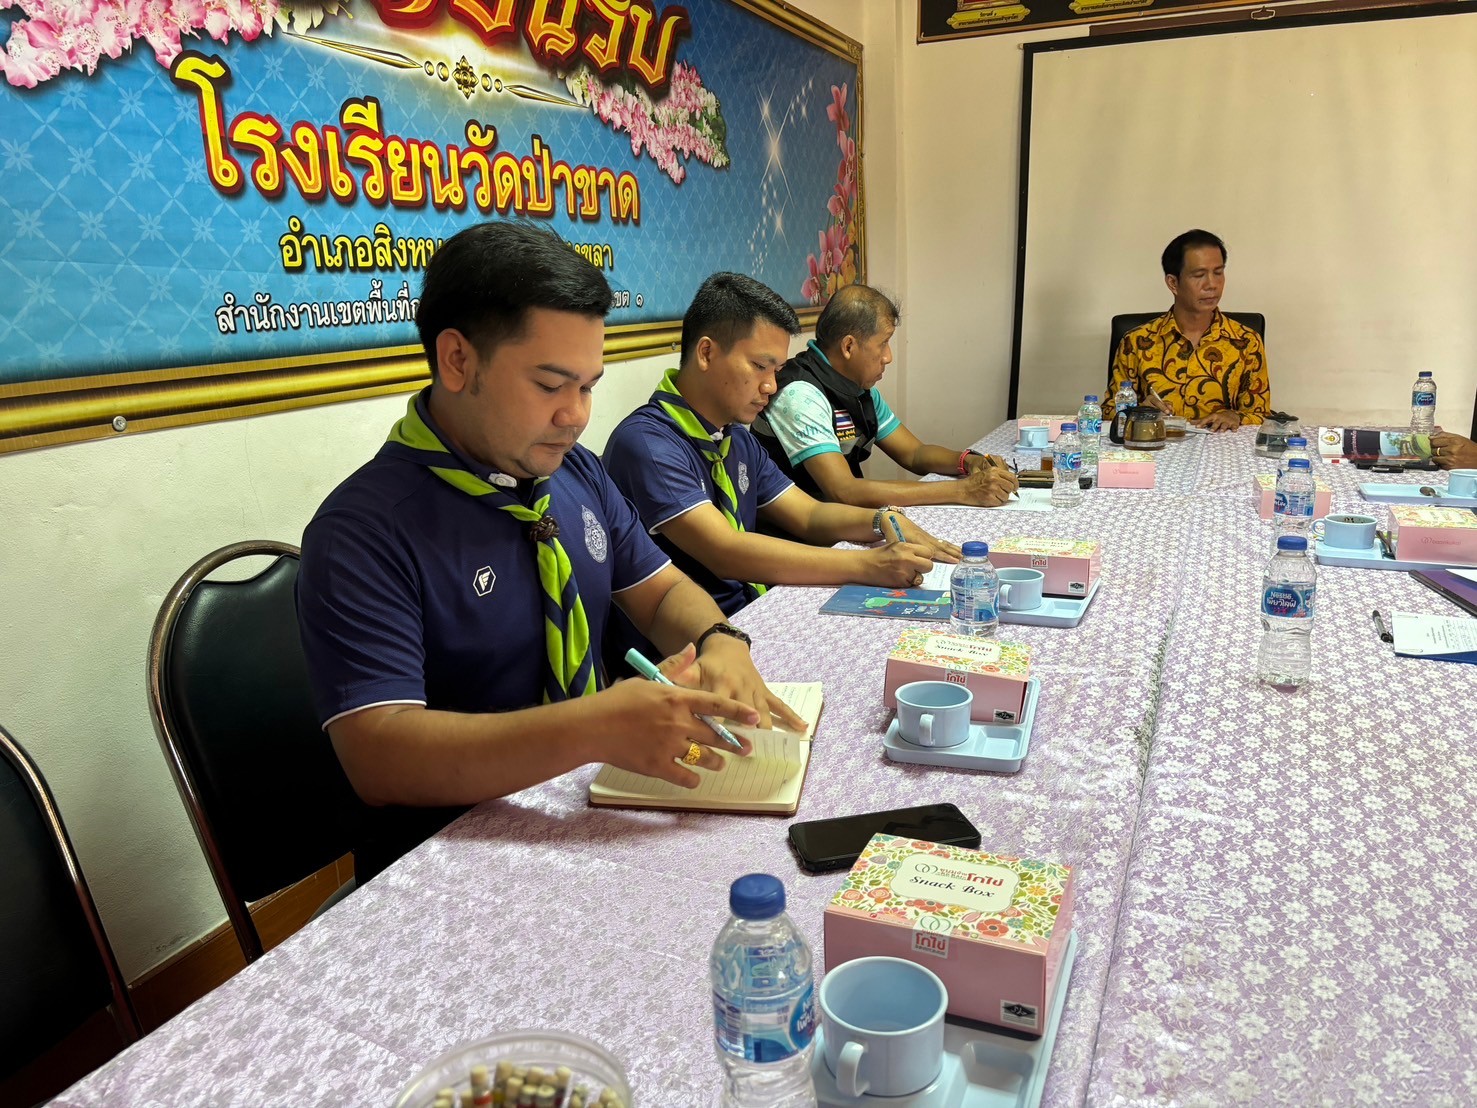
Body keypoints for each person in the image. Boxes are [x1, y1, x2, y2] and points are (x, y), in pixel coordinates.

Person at [296, 222, 802, 880]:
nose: (576, 416)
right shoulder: (363, 530)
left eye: (587, 387)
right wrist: (591, 727)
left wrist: (718, 640)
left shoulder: (574, 472)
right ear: (457, 361)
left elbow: (661, 592)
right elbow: (379, 758)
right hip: (452, 864)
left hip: (591, 807)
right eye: (549, 385)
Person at [602, 273, 960, 630]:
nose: (771, 386)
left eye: (777, 370)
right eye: (760, 366)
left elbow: (809, 515)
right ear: (706, 353)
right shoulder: (648, 444)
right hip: (694, 640)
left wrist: (881, 520)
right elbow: (725, 551)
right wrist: (869, 565)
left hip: (755, 612)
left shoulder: (734, 438)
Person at [752, 284, 1018, 508]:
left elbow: (914, 453)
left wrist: (968, 461)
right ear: (848, 346)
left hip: (840, 519)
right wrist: (964, 490)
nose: (888, 357)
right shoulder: (800, 395)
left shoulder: (857, 390)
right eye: (883, 343)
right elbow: (843, 490)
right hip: (797, 535)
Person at [1106, 229, 1271, 433]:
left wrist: (1236, 416)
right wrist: (1138, 412)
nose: (1212, 285)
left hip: (1221, 448)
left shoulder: (1245, 341)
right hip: (1156, 447)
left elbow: (1260, 415)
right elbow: (1108, 413)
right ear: (1173, 283)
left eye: (1218, 273)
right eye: (1199, 275)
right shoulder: (1137, 341)